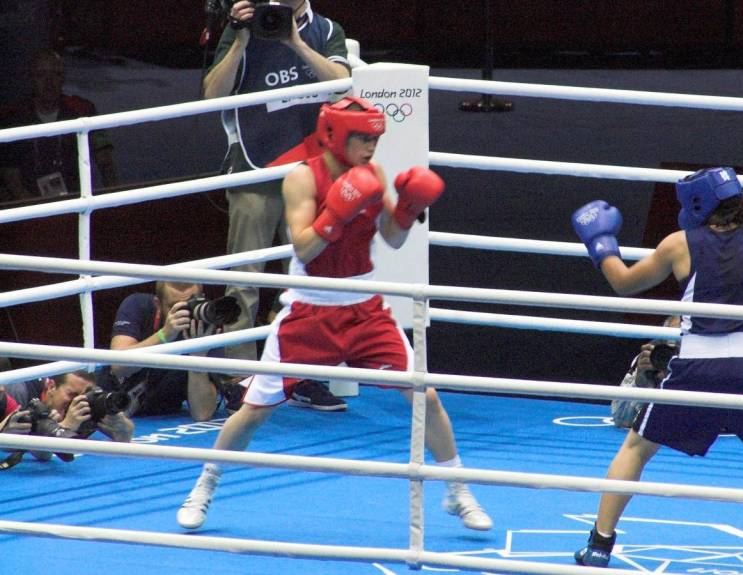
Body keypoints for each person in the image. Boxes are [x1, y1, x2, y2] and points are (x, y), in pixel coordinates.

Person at [176, 97, 492, 532]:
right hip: (309, 313)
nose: (371, 147)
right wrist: (338, 210)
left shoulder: (374, 175)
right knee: (254, 411)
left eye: (376, 138)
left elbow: (393, 240)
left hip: (365, 310)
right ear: (334, 135)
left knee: (426, 396)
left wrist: (407, 209)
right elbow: (304, 247)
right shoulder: (301, 178)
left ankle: (458, 490)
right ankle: (205, 486)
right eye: (363, 138)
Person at [570, 167, 743, 574]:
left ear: (697, 204)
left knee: (635, 450)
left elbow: (625, 284)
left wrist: (601, 244)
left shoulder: (678, 244)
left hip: (697, 367)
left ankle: (599, 546)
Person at [204, 0, 352, 372]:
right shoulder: (245, 26)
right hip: (256, 169)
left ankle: (303, 374)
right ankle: (239, 376)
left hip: (310, 174)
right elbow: (212, 96)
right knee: (244, 280)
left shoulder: (327, 30)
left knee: (308, 282)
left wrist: (296, 43)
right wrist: (239, 40)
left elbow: (341, 86)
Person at [105, 281, 243, 421]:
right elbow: (118, 367)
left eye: (189, 303)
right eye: (175, 306)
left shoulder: (206, 326)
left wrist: (197, 355)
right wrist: (164, 335)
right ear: (158, 304)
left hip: (163, 413)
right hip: (111, 406)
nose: (185, 312)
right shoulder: (138, 305)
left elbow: (202, 414)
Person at [0, 48, 118, 201]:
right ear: (31, 78)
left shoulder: (84, 110)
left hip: (76, 203)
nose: (49, 82)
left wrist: (114, 205)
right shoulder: (12, 118)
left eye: (55, 74)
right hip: (28, 207)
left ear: (63, 78)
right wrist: (38, 212)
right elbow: (11, 177)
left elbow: (106, 163)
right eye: (41, 75)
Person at [1, 370, 134, 466]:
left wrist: (124, 433)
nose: (77, 401)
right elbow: (8, 441)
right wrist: (66, 426)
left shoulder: (86, 406)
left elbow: (120, 435)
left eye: (85, 395)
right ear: (51, 386)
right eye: (72, 394)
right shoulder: (17, 392)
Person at [610, 315, 681, 429]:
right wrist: (642, 384)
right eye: (670, 343)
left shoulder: (708, 364)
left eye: (681, 343)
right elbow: (621, 419)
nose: (674, 351)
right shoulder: (652, 358)